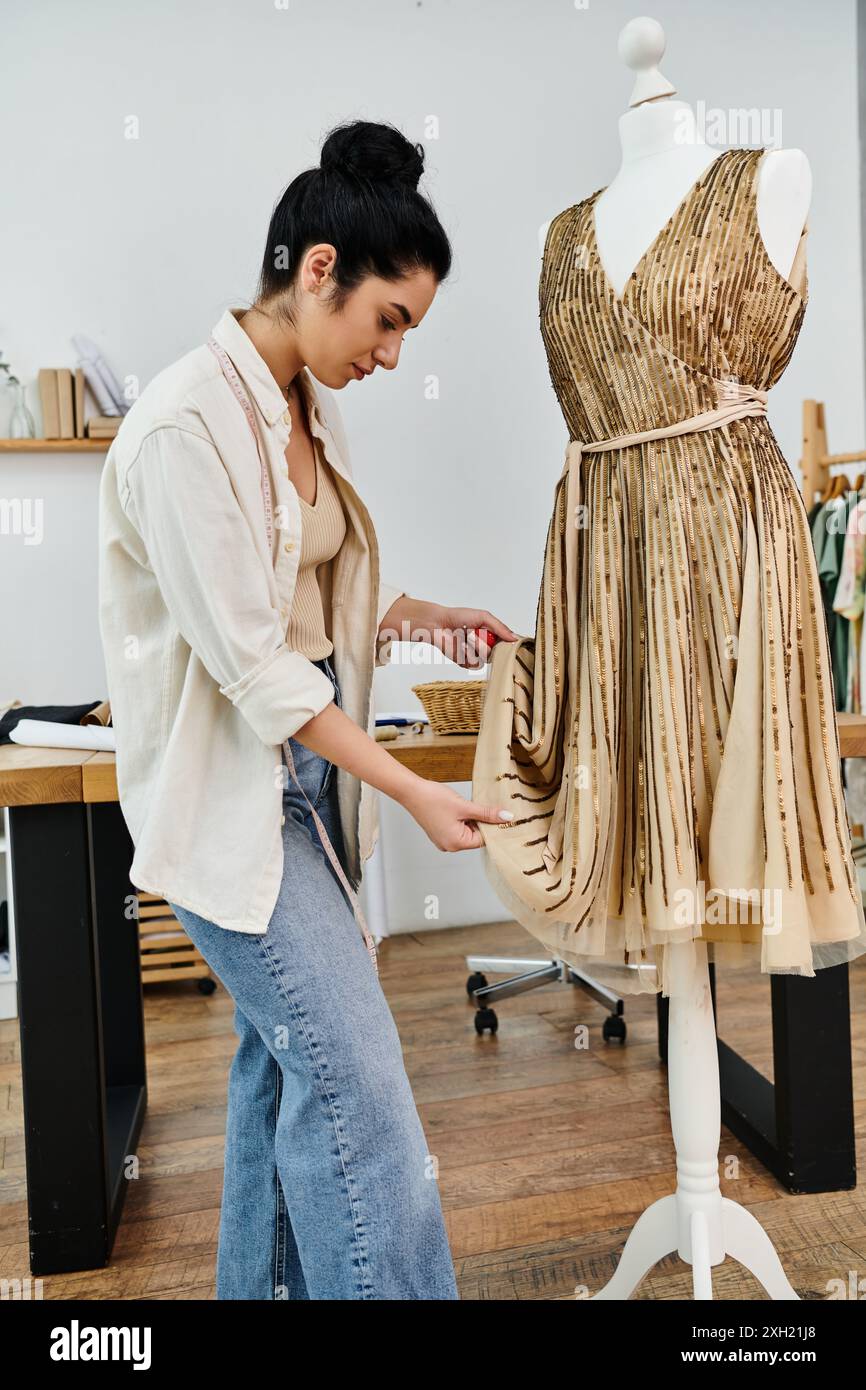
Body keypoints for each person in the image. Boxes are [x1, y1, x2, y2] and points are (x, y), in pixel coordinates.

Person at [97, 118, 518, 1299]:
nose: (392, 352)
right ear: (319, 267)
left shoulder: (301, 405)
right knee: (359, 1087)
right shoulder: (185, 425)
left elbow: (304, 601)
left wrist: (419, 613)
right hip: (237, 800)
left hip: (303, 788)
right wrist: (416, 789)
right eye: (388, 318)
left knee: (284, 1070)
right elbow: (256, 670)